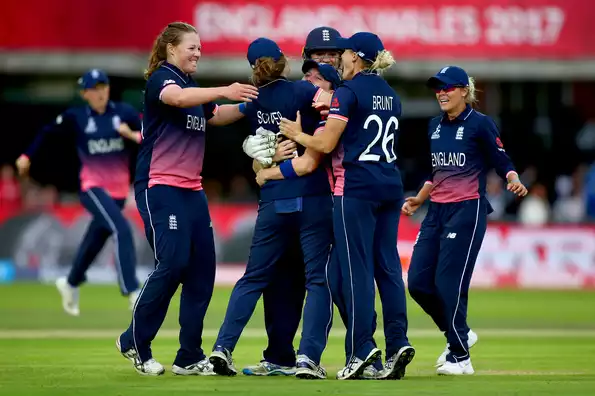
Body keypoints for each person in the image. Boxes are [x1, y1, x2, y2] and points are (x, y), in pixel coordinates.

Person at [267, 32, 415, 381]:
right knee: (389, 269)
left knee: (356, 272)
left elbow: (326, 141)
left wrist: (296, 133)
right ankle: (397, 343)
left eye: (344, 53)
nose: (340, 59)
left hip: (357, 189)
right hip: (390, 187)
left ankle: (361, 350)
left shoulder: (348, 93)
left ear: (356, 58)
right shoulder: (391, 95)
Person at [115, 21, 259, 376]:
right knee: (173, 263)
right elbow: (177, 99)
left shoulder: (192, 86)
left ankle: (189, 356)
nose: (198, 53)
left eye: (200, 48)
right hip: (159, 187)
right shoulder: (162, 80)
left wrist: (249, 105)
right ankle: (134, 340)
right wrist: (225, 89)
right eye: (191, 47)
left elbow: (216, 116)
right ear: (171, 50)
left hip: (191, 191)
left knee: (201, 271)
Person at [209, 37, 335, 380]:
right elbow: (335, 103)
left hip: (273, 200)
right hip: (311, 197)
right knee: (317, 281)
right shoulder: (303, 92)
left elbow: (220, 117)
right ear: (282, 60)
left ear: (254, 68)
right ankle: (307, 358)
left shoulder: (255, 100)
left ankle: (222, 348)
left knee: (253, 279)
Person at [403, 66, 528, 376]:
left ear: (464, 90)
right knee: (418, 283)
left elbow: (502, 161)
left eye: (447, 88)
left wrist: (513, 178)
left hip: (466, 212)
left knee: (448, 285)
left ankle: (460, 357)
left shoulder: (480, 124)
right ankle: (459, 333)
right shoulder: (434, 126)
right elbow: (437, 172)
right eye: (437, 89)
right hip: (436, 212)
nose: (441, 93)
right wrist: (420, 197)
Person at [240, 57, 342, 378]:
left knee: (329, 282)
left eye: (318, 77)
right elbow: (262, 155)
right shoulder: (301, 106)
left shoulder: (332, 111)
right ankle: (280, 356)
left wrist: (268, 171)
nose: (311, 81)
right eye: (308, 74)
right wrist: (261, 161)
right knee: (282, 280)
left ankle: (326, 354)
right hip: (291, 204)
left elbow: (309, 162)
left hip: (326, 203)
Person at [16, 68, 143, 316]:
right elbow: (46, 132)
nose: (100, 93)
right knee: (122, 228)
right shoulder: (77, 117)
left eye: (103, 87)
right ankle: (132, 291)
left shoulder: (124, 113)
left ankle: (71, 282)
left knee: (95, 240)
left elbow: (149, 136)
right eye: (93, 89)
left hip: (117, 193)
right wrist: (26, 155)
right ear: (84, 93)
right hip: (92, 187)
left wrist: (131, 134)